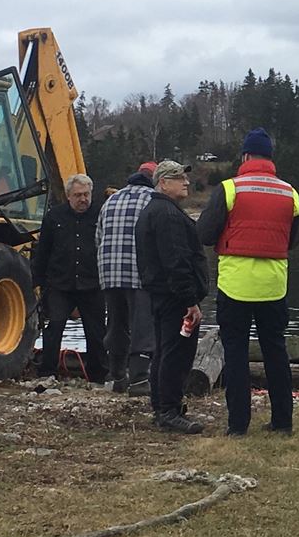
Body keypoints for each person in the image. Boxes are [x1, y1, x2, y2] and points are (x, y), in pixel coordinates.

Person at [197, 128, 299, 437]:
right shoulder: (290, 192)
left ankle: (238, 425)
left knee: (236, 353)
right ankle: (283, 421)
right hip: (274, 285)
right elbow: (294, 239)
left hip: (236, 285)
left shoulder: (230, 189)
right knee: (276, 352)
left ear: (245, 156)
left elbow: (204, 234)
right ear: (270, 157)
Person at [135, 161, 209, 433]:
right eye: (178, 178)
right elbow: (176, 260)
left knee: (164, 351)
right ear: (163, 183)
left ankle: (162, 407)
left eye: (185, 177)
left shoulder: (155, 210)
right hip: (175, 296)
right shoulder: (167, 214)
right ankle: (169, 410)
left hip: (162, 293)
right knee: (176, 354)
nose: (186, 182)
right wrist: (190, 300)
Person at [32, 174, 107, 382]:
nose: (83, 199)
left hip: (92, 283)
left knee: (96, 331)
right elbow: (43, 251)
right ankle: (47, 372)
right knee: (54, 327)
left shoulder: (101, 215)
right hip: (60, 283)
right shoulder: (54, 217)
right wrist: (37, 281)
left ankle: (98, 376)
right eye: (78, 195)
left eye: (86, 194)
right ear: (68, 196)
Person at [96, 161, 157, 393]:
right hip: (138, 273)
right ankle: (140, 379)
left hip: (110, 273)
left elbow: (98, 237)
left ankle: (116, 376)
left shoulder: (111, 199)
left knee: (116, 324)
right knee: (142, 326)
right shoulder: (152, 199)